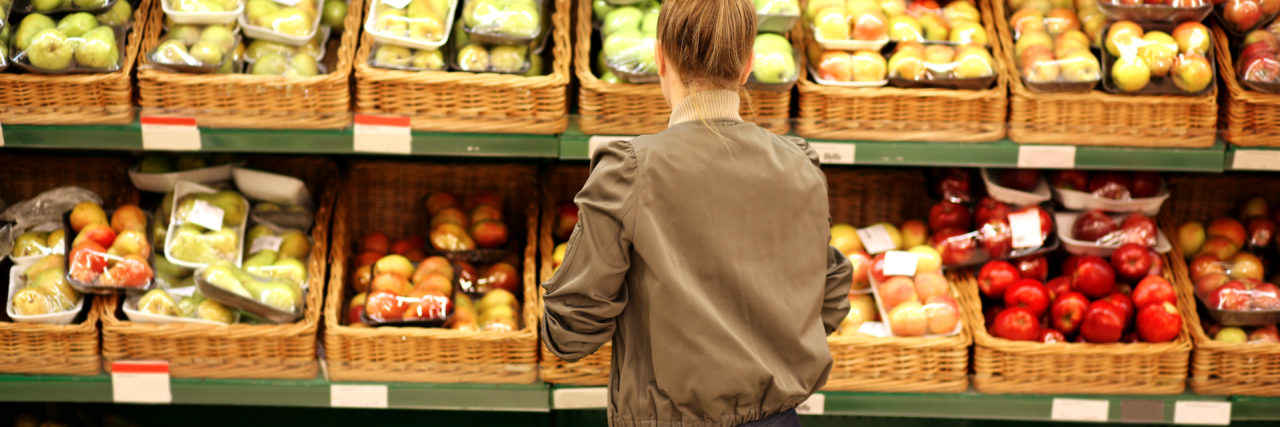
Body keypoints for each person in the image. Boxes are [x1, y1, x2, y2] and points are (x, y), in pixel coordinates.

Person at [540, 0, 853, 425]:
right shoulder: (801, 163)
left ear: (659, 58)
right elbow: (830, 298)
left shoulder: (629, 171)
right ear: (748, 65)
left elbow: (569, 331)